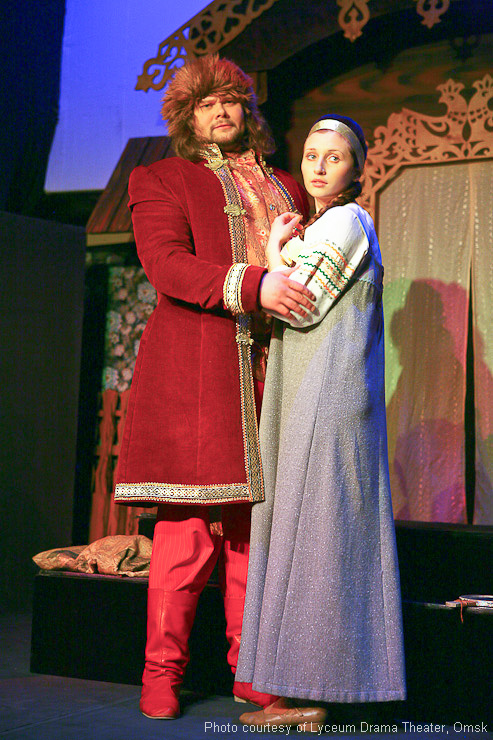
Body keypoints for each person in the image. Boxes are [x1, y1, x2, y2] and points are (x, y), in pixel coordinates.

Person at [113, 53, 313, 720]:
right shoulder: (161, 177)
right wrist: (256, 285)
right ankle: (160, 676)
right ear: (186, 118)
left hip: (275, 369)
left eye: (230, 99)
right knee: (187, 531)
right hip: (200, 370)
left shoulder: (285, 186)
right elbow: (166, 265)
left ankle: (252, 675)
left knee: (256, 535)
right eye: (206, 103)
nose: (221, 111)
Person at [235, 115, 406, 730]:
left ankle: (308, 689)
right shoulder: (326, 225)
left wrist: (272, 252)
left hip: (327, 398)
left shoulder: (346, 221)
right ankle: (302, 686)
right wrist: (284, 250)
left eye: (335, 156)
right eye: (311, 154)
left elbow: (298, 302)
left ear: (357, 168)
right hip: (314, 393)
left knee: (319, 535)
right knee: (310, 532)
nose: (319, 165)